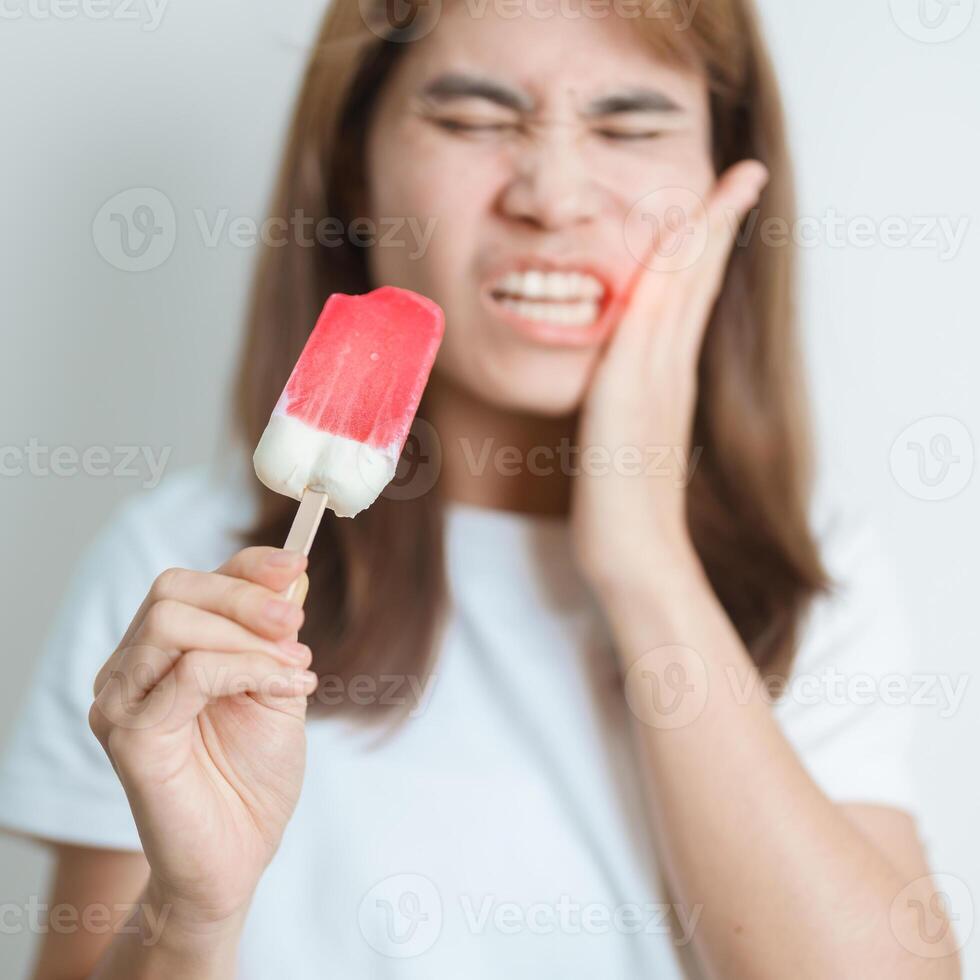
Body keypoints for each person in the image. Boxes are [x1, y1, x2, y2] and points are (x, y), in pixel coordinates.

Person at [0, 0, 960, 977]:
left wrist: (642, 555)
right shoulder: (177, 573)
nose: (551, 195)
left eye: (628, 125)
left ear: (723, 181)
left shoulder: (816, 572)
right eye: (472, 120)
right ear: (353, 172)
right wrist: (190, 911)